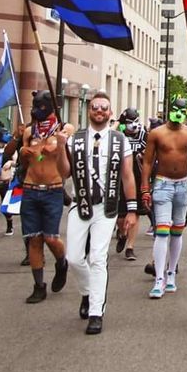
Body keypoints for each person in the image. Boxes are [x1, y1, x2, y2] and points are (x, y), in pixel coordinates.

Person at [60, 91, 137, 334]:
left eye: (104, 107)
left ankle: (96, 312)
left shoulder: (119, 140)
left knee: (97, 258)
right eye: (95, 107)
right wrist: (60, 148)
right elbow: (64, 173)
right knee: (73, 257)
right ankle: (86, 291)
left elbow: (127, 175)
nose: (100, 111)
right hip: (80, 203)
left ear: (110, 112)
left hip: (107, 206)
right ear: (89, 110)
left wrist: (132, 209)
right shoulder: (76, 139)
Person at [141, 98, 187, 299]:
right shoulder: (157, 133)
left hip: (183, 184)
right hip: (162, 183)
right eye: (175, 110)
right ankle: (159, 278)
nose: (178, 113)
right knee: (162, 230)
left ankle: (171, 273)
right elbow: (147, 161)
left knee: (177, 231)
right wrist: (145, 187)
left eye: (181, 111)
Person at [16, 90, 70, 304]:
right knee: (34, 240)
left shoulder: (62, 130)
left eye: (40, 105)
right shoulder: (30, 131)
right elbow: (25, 156)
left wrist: (54, 143)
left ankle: (62, 262)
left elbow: (58, 144)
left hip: (52, 190)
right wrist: (23, 151)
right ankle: (39, 285)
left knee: (51, 238)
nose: (35, 109)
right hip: (30, 189)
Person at [114, 107, 148, 261]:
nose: (132, 125)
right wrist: (117, 126)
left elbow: (151, 154)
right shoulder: (118, 135)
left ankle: (130, 247)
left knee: (135, 213)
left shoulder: (144, 134)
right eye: (128, 123)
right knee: (121, 216)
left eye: (135, 122)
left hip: (137, 177)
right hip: (119, 179)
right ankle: (122, 234)